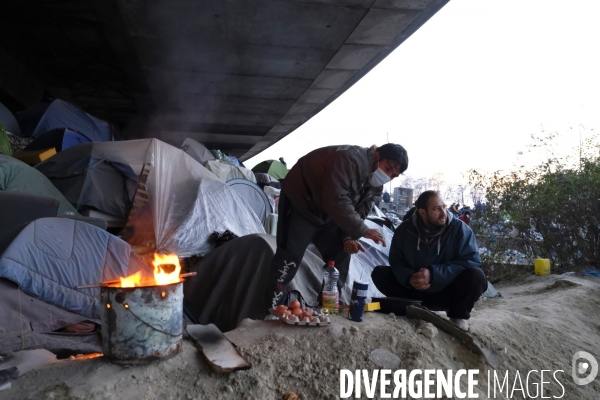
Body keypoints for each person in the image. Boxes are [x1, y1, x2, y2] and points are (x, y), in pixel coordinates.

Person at [268, 144, 409, 308]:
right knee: (289, 258)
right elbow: (336, 200)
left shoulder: (376, 185)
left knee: (342, 251)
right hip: (301, 203)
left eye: (393, 175)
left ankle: (327, 307)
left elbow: (360, 211)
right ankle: (273, 308)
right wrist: (363, 230)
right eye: (388, 168)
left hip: (328, 213)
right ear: (377, 156)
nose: (388, 176)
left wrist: (349, 237)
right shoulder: (350, 159)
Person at [371, 190, 486, 331]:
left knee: (476, 276)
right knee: (380, 273)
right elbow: (396, 261)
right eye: (436, 209)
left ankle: (457, 316)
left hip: (446, 292)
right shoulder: (404, 231)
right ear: (422, 212)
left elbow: (471, 260)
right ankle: (409, 308)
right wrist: (409, 277)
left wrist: (433, 274)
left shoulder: (460, 229)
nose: (444, 213)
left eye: (444, 207)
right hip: (414, 292)